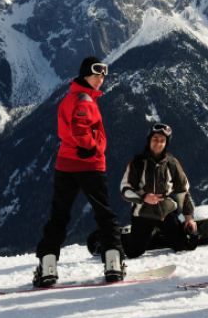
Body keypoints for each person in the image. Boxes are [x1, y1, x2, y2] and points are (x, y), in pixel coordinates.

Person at [33, 56, 125, 287]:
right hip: (89, 164)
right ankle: (113, 264)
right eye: (96, 75)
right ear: (85, 75)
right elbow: (80, 125)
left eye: (103, 75)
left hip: (65, 163)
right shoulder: (84, 100)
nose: (100, 79)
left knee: (59, 217)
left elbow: (69, 128)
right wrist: (90, 147)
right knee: (104, 214)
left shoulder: (70, 97)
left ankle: (47, 268)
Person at [119, 123, 197, 258]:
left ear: (166, 143)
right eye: (155, 139)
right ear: (149, 139)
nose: (158, 143)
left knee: (183, 246)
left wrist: (188, 218)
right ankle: (129, 236)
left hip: (166, 212)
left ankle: (158, 234)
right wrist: (143, 197)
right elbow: (125, 190)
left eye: (162, 141)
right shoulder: (137, 163)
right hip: (143, 213)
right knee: (132, 253)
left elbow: (182, 191)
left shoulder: (172, 163)